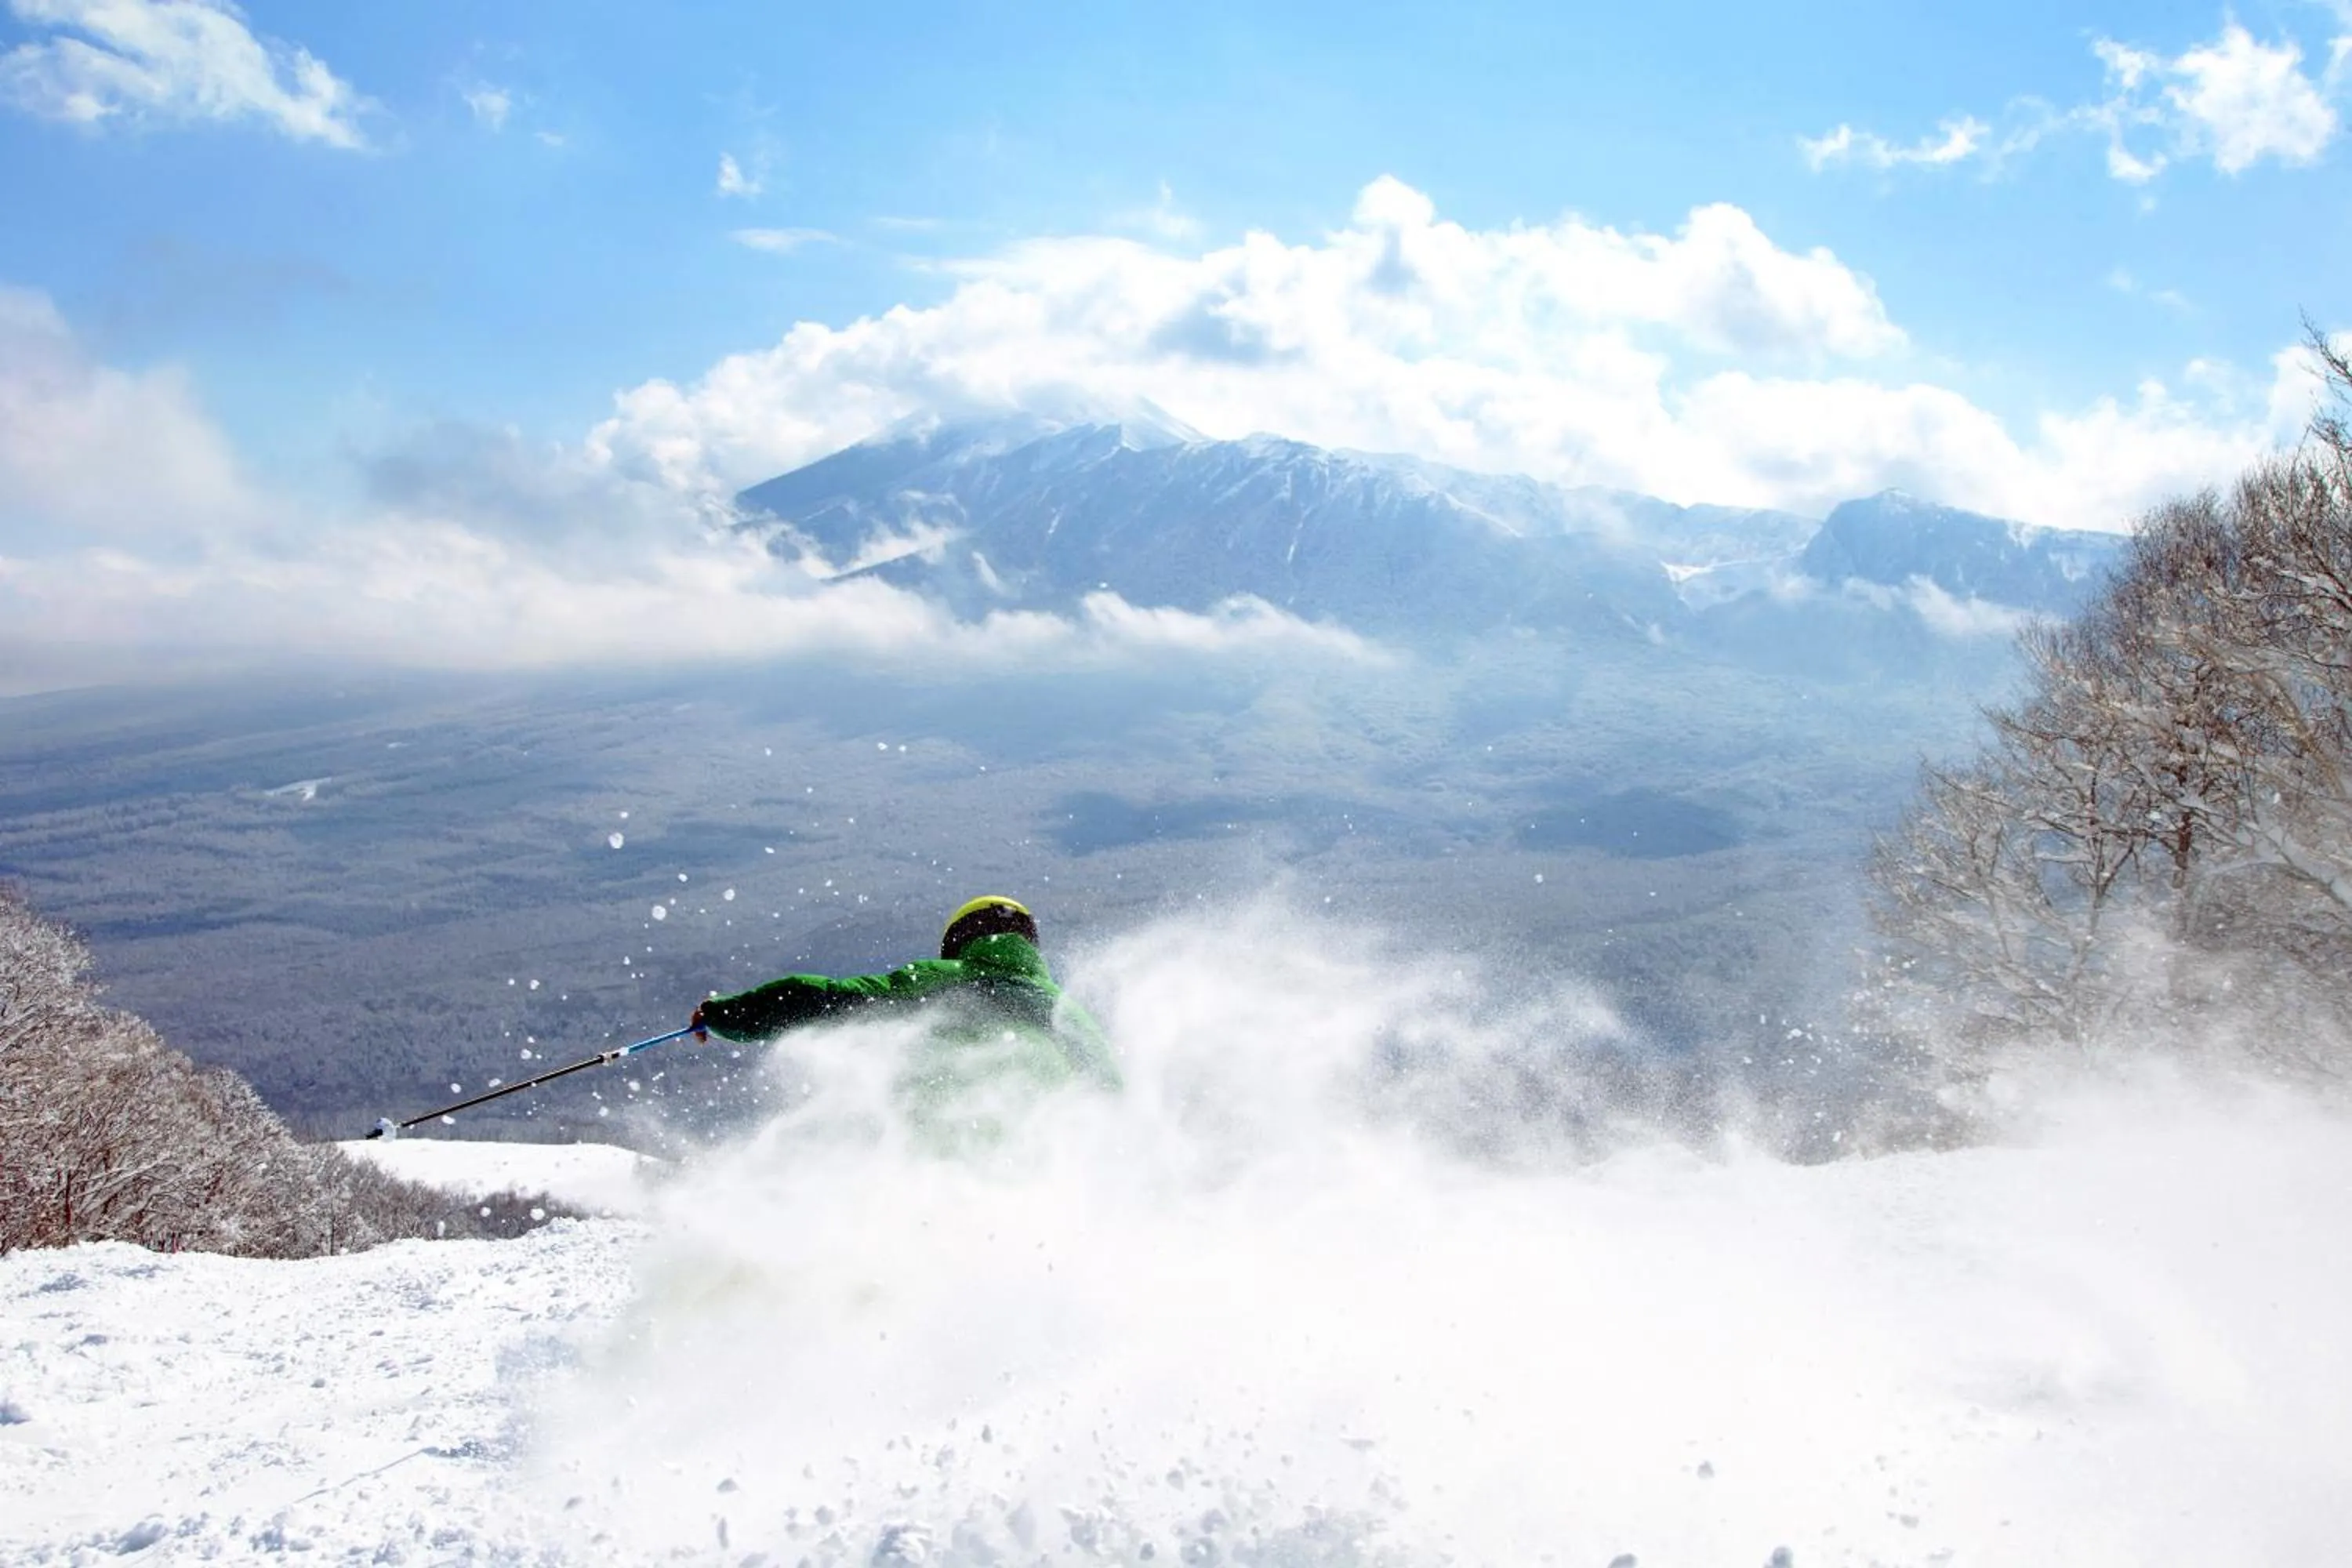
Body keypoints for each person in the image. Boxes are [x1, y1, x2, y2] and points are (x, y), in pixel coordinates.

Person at [689, 897, 1120, 1117]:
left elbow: (829, 1000)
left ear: (959, 944)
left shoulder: (951, 981)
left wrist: (728, 1015)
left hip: (947, 1174)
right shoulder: (1075, 1020)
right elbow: (1117, 1106)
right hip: (1047, 1190)